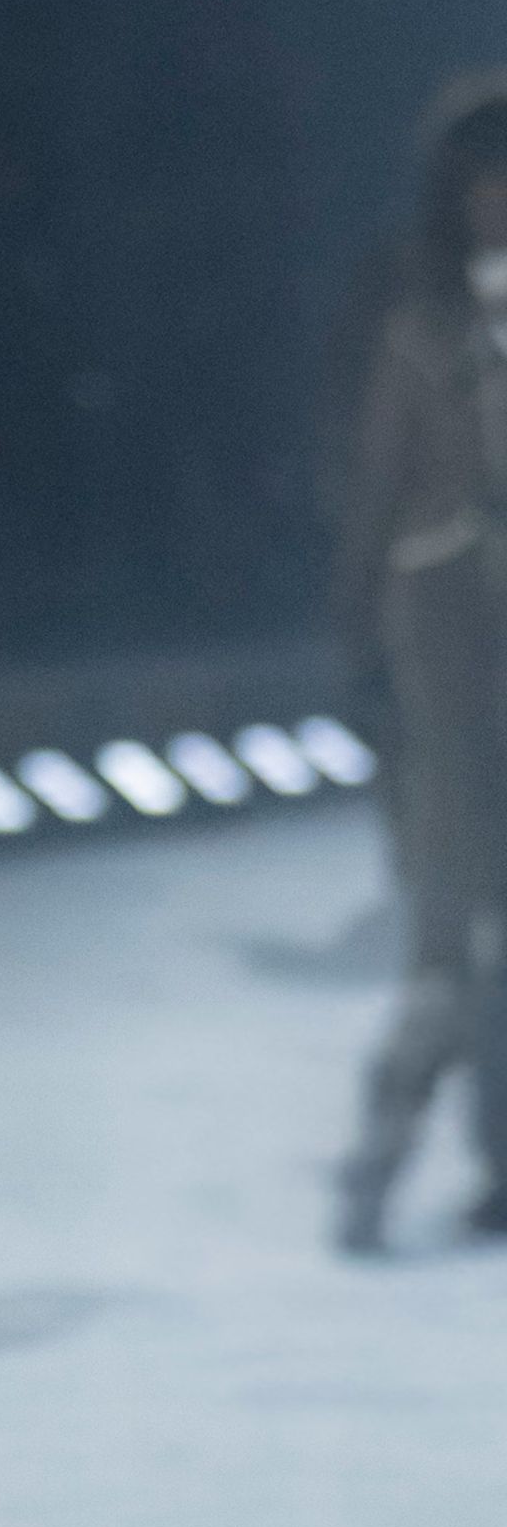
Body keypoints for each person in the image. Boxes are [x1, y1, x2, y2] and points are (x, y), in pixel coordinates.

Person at [331, 71, 507, 1253]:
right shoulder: (415, 323)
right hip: (443, 639)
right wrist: (357, 643)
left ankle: (493, 1164)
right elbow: (374, 484)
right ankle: (381, 1156)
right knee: (449, 923)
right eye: (481, 182)